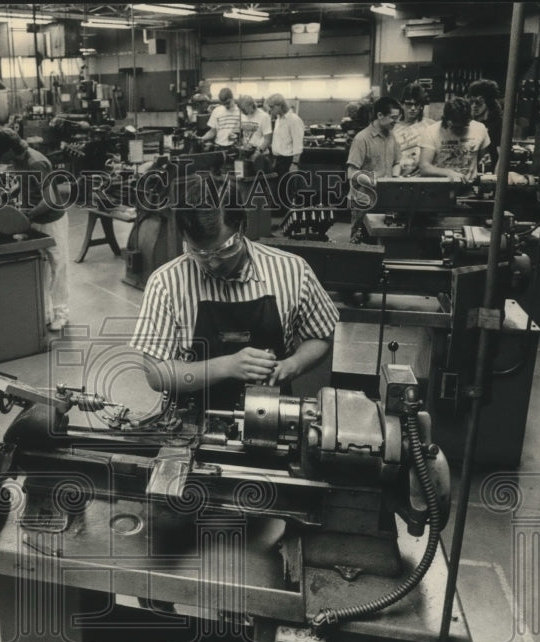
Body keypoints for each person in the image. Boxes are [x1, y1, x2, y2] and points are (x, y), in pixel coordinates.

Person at [129, 174, 339, 411]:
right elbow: (156, 374)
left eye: (224, 250)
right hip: (192, 418)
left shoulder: (292, 270)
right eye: (199, 253)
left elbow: (321, 335)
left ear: (243, 226)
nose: (214, 264)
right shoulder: (165, 283)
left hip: (271, 416)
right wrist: (227, 366)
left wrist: (292, 366)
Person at [0, 126, 70, 332]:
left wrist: (25, 216)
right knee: (41, 267)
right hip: (33, 217)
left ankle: (61, 313)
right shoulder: (16, 160)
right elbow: (23, 183)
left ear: (10, 149)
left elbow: (49, 199)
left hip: (51, 220)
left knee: (58, 266)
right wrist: (7, 196)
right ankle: (46, 312)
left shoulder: (36, 162)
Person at [347, 96, 402, 243]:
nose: (396, 122)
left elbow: (397, 162)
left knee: (382, 241)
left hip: (385, 200)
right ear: (380, 115)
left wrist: (395, 179)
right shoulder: (362, 139)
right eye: (393, 118)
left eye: (398, 118)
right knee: (361, 244)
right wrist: (376, 183)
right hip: (364, 201)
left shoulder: (392, 137)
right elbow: (352, 173)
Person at [418, 97, 491, 184]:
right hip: (439, 188)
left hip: (469, 187)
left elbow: (485, 160)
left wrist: (485, 165)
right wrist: (449, 173)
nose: (459, 131)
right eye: (455, 127)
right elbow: (424, 168)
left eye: (463, 127)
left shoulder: (479, 129)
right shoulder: (431, 131)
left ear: (469, 120)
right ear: (446, 120)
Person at [266, 94, 305, 218]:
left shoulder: (294, 120)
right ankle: (280, 215)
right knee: (279, 190)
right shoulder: (278, 119)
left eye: (272, 107)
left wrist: (294, 164)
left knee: (286, 191)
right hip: (278, 159)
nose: (270, 110)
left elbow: (298, 143)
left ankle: (287, 219)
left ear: (279, 105)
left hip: (288, 160)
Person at [392, 82, 436, 177]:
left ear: (421, 106)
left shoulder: (431, 126)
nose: (412, 108)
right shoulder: (392, 127)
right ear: (402, 104)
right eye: (409, 104)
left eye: (416, 104)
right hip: (397, 177)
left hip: (423, 179)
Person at [467, 78, 504, 171]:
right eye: (471, 102)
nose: (474, 106)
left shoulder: (498, 124)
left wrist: (496, 178)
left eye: (478, 102)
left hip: (490, 172)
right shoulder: (469, 123)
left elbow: (502, 156)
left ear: (489, 102)